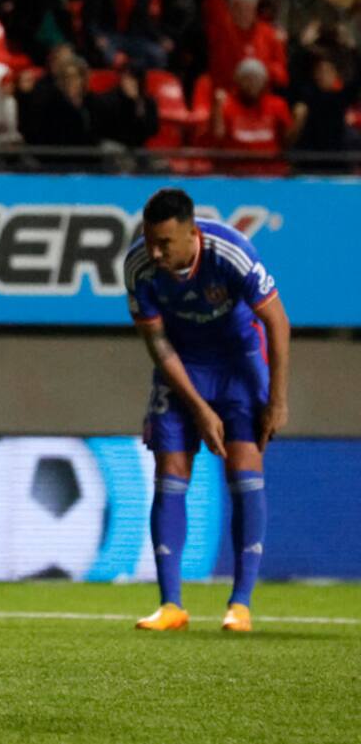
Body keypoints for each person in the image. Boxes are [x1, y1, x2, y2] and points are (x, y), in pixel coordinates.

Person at [124, 187, 289, 634]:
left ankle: (240, 604)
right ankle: (171, 605)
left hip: (239, 364)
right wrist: (199, 409)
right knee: (170, 468)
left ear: (192, 234)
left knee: (243, 468)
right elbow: (158, 345)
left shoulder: (231, 253)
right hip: (182, 369)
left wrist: (276, 398)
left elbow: (277, 321)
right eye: (150, 240)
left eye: (165, 243)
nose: (155, 252)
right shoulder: (138, 267)